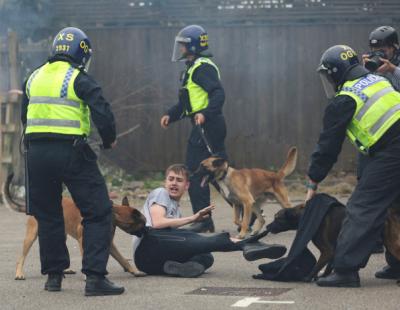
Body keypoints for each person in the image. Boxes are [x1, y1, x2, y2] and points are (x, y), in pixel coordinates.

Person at [21, 27, 124, 296]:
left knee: (48, 215)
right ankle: (95, 279)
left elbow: (25, 116)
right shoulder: (78, 77)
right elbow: (102, 109)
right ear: (82, 53)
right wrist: (109, 138)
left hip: (36, 153)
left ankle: (53, 277)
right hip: (71, 152)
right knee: (99, 211)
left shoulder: (33, 78)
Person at [305, 45, 400, 287]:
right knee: (394, 206)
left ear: (336, 72)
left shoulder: (345, 98)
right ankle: (397, 264)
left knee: (362, 207)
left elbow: (328, 146)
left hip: (393, 150)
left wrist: (313, 180)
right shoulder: (378, 80)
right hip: (389, 147)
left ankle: (345, 270)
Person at [133, 164, 286, 277]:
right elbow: (157, 223)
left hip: (153, 264)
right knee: (196, 239)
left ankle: (180, 269)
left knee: (206, 255)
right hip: (147, 247)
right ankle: (248, 244)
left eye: (179, 180)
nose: (173, 183)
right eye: (170, 179)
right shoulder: (161, 193)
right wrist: (193, 218)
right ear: (165, 182)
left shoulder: (175, 208)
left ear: (186, 185)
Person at [160, 25, 227, 233]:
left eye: (183, 45)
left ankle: (204, 220)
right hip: (203, 125)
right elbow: (186, 104)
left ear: (194, 46)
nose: (180, 49)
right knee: (220, 174)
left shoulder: (202, 68)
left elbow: (218, 94)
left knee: (198, 173)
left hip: (207, 125)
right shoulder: (192, 68)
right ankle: (249, 215)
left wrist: (205, 113)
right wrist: (170, 115)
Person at [363, 26, 400, 91]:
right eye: (374, 50)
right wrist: (364, 71)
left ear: (393, 47)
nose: (378, 55)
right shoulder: (371, 61)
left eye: (382, 51)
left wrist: (393, 69)